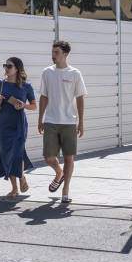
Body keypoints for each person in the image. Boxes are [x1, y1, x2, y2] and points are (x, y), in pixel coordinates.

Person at [37, 39, 86, 204]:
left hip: (69, 122)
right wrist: (40, 118)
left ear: (65, 54)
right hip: (50, 120)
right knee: (49, 157)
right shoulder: (47, 72)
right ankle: (59, 173)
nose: (53, 55)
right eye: (52, 52)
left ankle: (65, 191)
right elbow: (43, 96)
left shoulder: (75, 74)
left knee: (69, 158)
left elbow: (80, 98)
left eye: (56, 52)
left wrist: (81, 122)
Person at [0, 56, 36, 198]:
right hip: (4, 124)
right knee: (6, 154)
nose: (6, 68)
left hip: (19, 124)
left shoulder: (26, 86)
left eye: (9, 66)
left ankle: (21, 176)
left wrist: (24, 105)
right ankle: (14, 188)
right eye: (5, 65)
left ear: (17, 69)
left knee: (17, 153)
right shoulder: (0, 84)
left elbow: (34, 106)